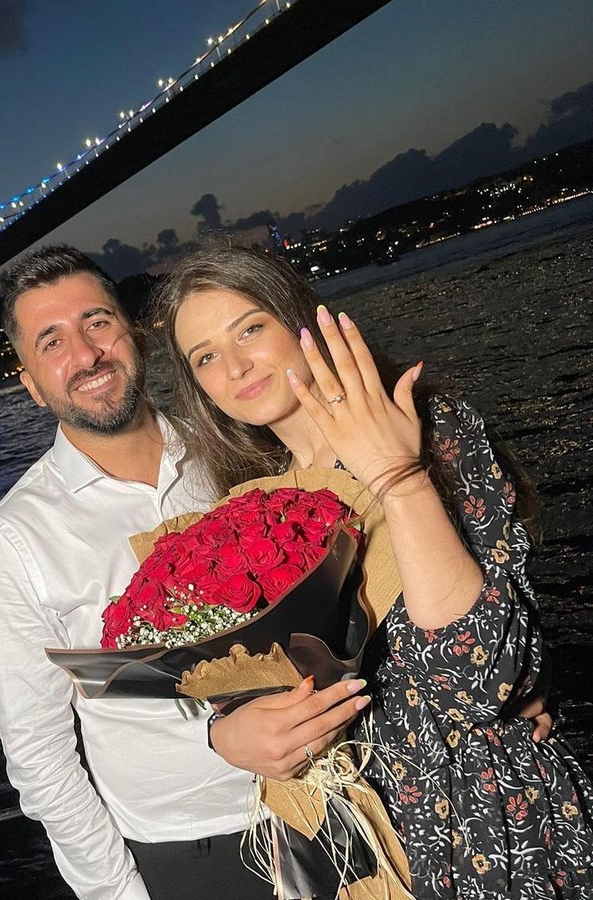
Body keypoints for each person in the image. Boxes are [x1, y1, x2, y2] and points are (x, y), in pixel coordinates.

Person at [153, 241, 593, 899]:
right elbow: (248, 687)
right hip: (364, 839)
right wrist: (228, 735)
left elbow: (492, 679)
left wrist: (396, 478)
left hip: (489, 823)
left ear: (298, 318)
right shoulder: (254, 515)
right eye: (206, 357)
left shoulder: (424, 428)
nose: (235, 365)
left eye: (250, 328)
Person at [0, 245, 370, 900]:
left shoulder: (235, 449)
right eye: (52, 341)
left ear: (134, 334)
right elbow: (41, 762)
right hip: (200, 853)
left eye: (97, 322)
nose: (87, 353)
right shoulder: (16, 540)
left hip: (342, 794)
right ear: (31, 384)